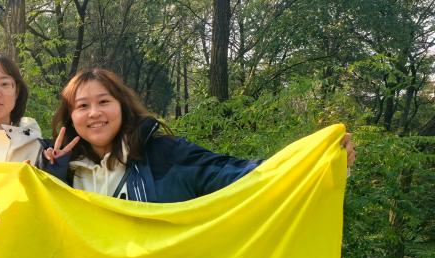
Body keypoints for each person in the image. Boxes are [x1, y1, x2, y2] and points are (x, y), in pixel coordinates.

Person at [39, 68, 356, 202]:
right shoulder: (58, 173)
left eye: (104, 102)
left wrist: (315, 165)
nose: (94, 113)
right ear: (71, 117)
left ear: (122, 106)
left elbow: (237, 176)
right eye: (83, 106)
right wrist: (51, 177)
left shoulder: (165, 155)